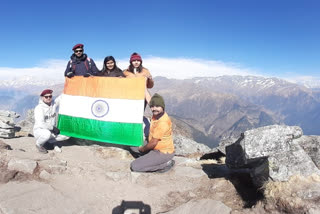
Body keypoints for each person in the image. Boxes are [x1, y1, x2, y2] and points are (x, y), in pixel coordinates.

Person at [130, 93, 175, 173]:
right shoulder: (158, 114)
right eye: (152, 106)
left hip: (162, 152)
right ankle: (149, 158)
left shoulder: (162, 123)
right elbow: (149, 99)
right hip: (153, 146)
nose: (154, 109)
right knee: (133, 145)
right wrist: (144, 82)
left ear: (162, 107)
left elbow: (153, 143)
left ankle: (165, 164)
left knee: (135, 166)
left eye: (157, 106)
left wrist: (142, 149)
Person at [33, 89, 69, 153]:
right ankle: (39, 144)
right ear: (42, 98)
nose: (48, 98)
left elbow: (60, 97)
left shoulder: (53, 105)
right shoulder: (39, 108)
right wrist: (52, 128)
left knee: (67, 135)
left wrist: (69, 87)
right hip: (40, 130)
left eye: (50, 96)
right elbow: (41, 124)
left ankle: (49, 143)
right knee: (47, 134)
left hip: (52, 131)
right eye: (46, 97)